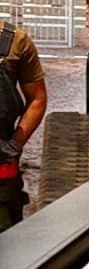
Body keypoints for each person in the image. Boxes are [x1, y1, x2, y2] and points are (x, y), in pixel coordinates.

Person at [0, 20, 47, 231]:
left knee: (6, 242)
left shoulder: (15, 42)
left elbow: (37, 99)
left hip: (1, 164)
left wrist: (14, 145)